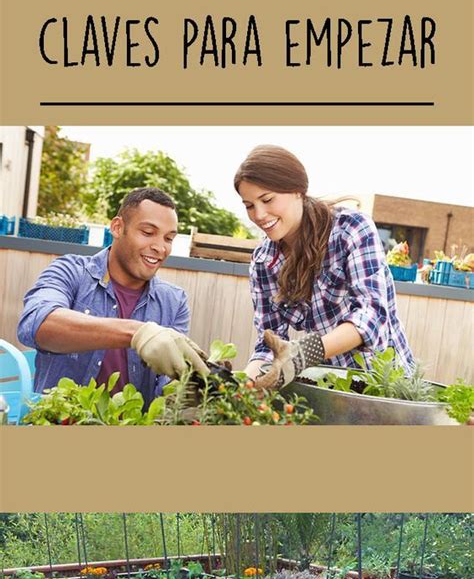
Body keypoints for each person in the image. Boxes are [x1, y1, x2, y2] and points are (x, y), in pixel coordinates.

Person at [234, 145, 415, 390]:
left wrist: (305, 353)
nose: (259, 214)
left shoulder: (351, 229)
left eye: (267, 199)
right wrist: (239, 386)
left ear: (298, 190)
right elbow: (270, 345)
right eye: (249, 205)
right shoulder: (263, 263)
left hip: (387, 387)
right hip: (330, 391)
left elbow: (371, 315)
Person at [17, 186, 208, 405]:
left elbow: (165, 387)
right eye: (147, 233)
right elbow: (36, 325)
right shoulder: (70, 271)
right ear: (117, 227)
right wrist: (137, 333)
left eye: (168, 238)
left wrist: (188, 391)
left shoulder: (174, 302)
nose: (160, 247)